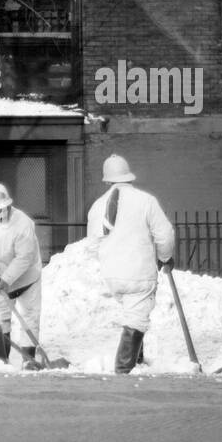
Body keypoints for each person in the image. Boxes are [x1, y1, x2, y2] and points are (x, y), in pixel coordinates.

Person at [86, 154, 175, 374]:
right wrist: (165, 257)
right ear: (129, 176)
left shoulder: (97, 206)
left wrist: (110, 259)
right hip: (139, 271)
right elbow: (165, 235)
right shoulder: (145, 201)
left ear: (107, 180)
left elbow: (92, 246)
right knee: (136, 316)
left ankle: (137, 359)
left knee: (133, 311)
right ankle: (123, 368)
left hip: (112, 275)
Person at [0, 182, 44, 370]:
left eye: (5, 208)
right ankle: (0, 359)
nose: (2, 212)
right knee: (0, 317)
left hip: (27, 279)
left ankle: (28, 360)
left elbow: (24, 258)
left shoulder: (23, 224)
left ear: (10, 204)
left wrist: (5, 279)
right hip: (2, 281)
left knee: (29, 317)